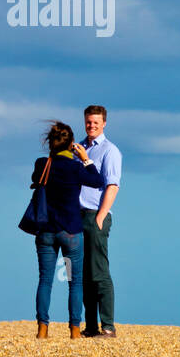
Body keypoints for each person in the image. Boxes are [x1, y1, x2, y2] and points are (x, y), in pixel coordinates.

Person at [31, 120, 103, 340]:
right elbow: (97, 180)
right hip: (71, 232)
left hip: (46, 232)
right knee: (74, 281)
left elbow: (36, 180)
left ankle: (42, 329)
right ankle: (74, 329)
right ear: (72, 144)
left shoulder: (43, 163)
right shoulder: (75, 168)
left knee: (45, 280)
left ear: (50, 144)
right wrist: (85, 159)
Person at [79, 104, 122, 338]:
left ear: (104, 123)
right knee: (84, 274)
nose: (91, 125)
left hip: (96, 215)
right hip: (77, 216)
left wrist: (100, 217)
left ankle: (108, 326)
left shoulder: (109, 150)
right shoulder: (80, 148)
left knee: (100, 272)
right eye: (88, 121)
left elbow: (112, 185)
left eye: (96, 122)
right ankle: (91, 326)